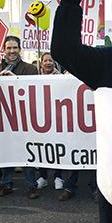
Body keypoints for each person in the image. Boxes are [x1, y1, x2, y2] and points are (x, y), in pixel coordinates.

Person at [0, 36, 39, 198]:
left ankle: (32, 186)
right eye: (9, 48)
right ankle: (5, 184)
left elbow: (35, 92)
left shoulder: (30, 69)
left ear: (20, 49)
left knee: (27, 152)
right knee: (5, 152)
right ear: (3, 50)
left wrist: (15, 81)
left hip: (25, 117)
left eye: (15, 48)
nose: (12, 51)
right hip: (3, 118)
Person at [36, 52, 64, 191]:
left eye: (50, 61)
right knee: (42, 147)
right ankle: (43, 177)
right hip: (40, 118)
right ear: (41, 63)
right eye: (45, 60)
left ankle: (58, 176)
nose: (48, 63)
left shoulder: (61, 78)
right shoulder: (34, 78)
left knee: (57, 148)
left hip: (57, 117)